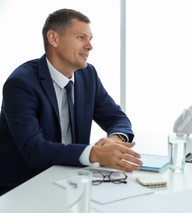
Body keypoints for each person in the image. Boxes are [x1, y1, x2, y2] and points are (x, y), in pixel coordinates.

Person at [0, 9, 142, 196]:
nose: (90, 46)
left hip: (70, 179)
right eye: (81, 37)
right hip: (23, 186)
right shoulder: (21, 84)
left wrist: (114, 139)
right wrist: (94, 154)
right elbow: (34, 150)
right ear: (54, 38)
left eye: (90, 39)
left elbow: (116, 117)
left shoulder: (87, 75)